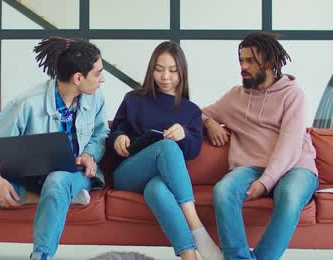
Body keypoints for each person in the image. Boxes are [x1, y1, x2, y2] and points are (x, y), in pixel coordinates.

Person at [0, 37, 109, 260]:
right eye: (98, 73)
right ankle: (57, 197)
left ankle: (40, 255)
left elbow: (101, 133)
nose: (102, 79)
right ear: (77, 78)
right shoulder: (26, 103)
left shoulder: (96, 98)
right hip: (31, 178)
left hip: (74, 176)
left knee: (57, 181)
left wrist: (88, 154)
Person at [202, 32, 319, 260]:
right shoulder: (235, 96)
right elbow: (199, 113)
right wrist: (210, 122)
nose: (243, 67)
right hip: (251, 166)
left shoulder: (293, 95)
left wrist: (266, 183)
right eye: (241, 61)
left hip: (294, 166)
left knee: (290, 196)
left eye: (250, 61)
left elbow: (289, 146)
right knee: (223, 190)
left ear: (269, 62)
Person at [108, 41, 223, 260]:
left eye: (172, 70)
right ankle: (196, 226)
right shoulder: (133, 99)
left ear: (182, 72)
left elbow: (193, 150)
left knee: (157, 190)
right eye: (159, 69)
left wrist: (185, 135)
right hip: (129, 173)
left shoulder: (190, 110)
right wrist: (118, 137)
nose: (165, 76)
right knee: (167, 146)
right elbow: (116, 130)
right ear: (151, 70)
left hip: (158, 180)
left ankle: (190, 256)